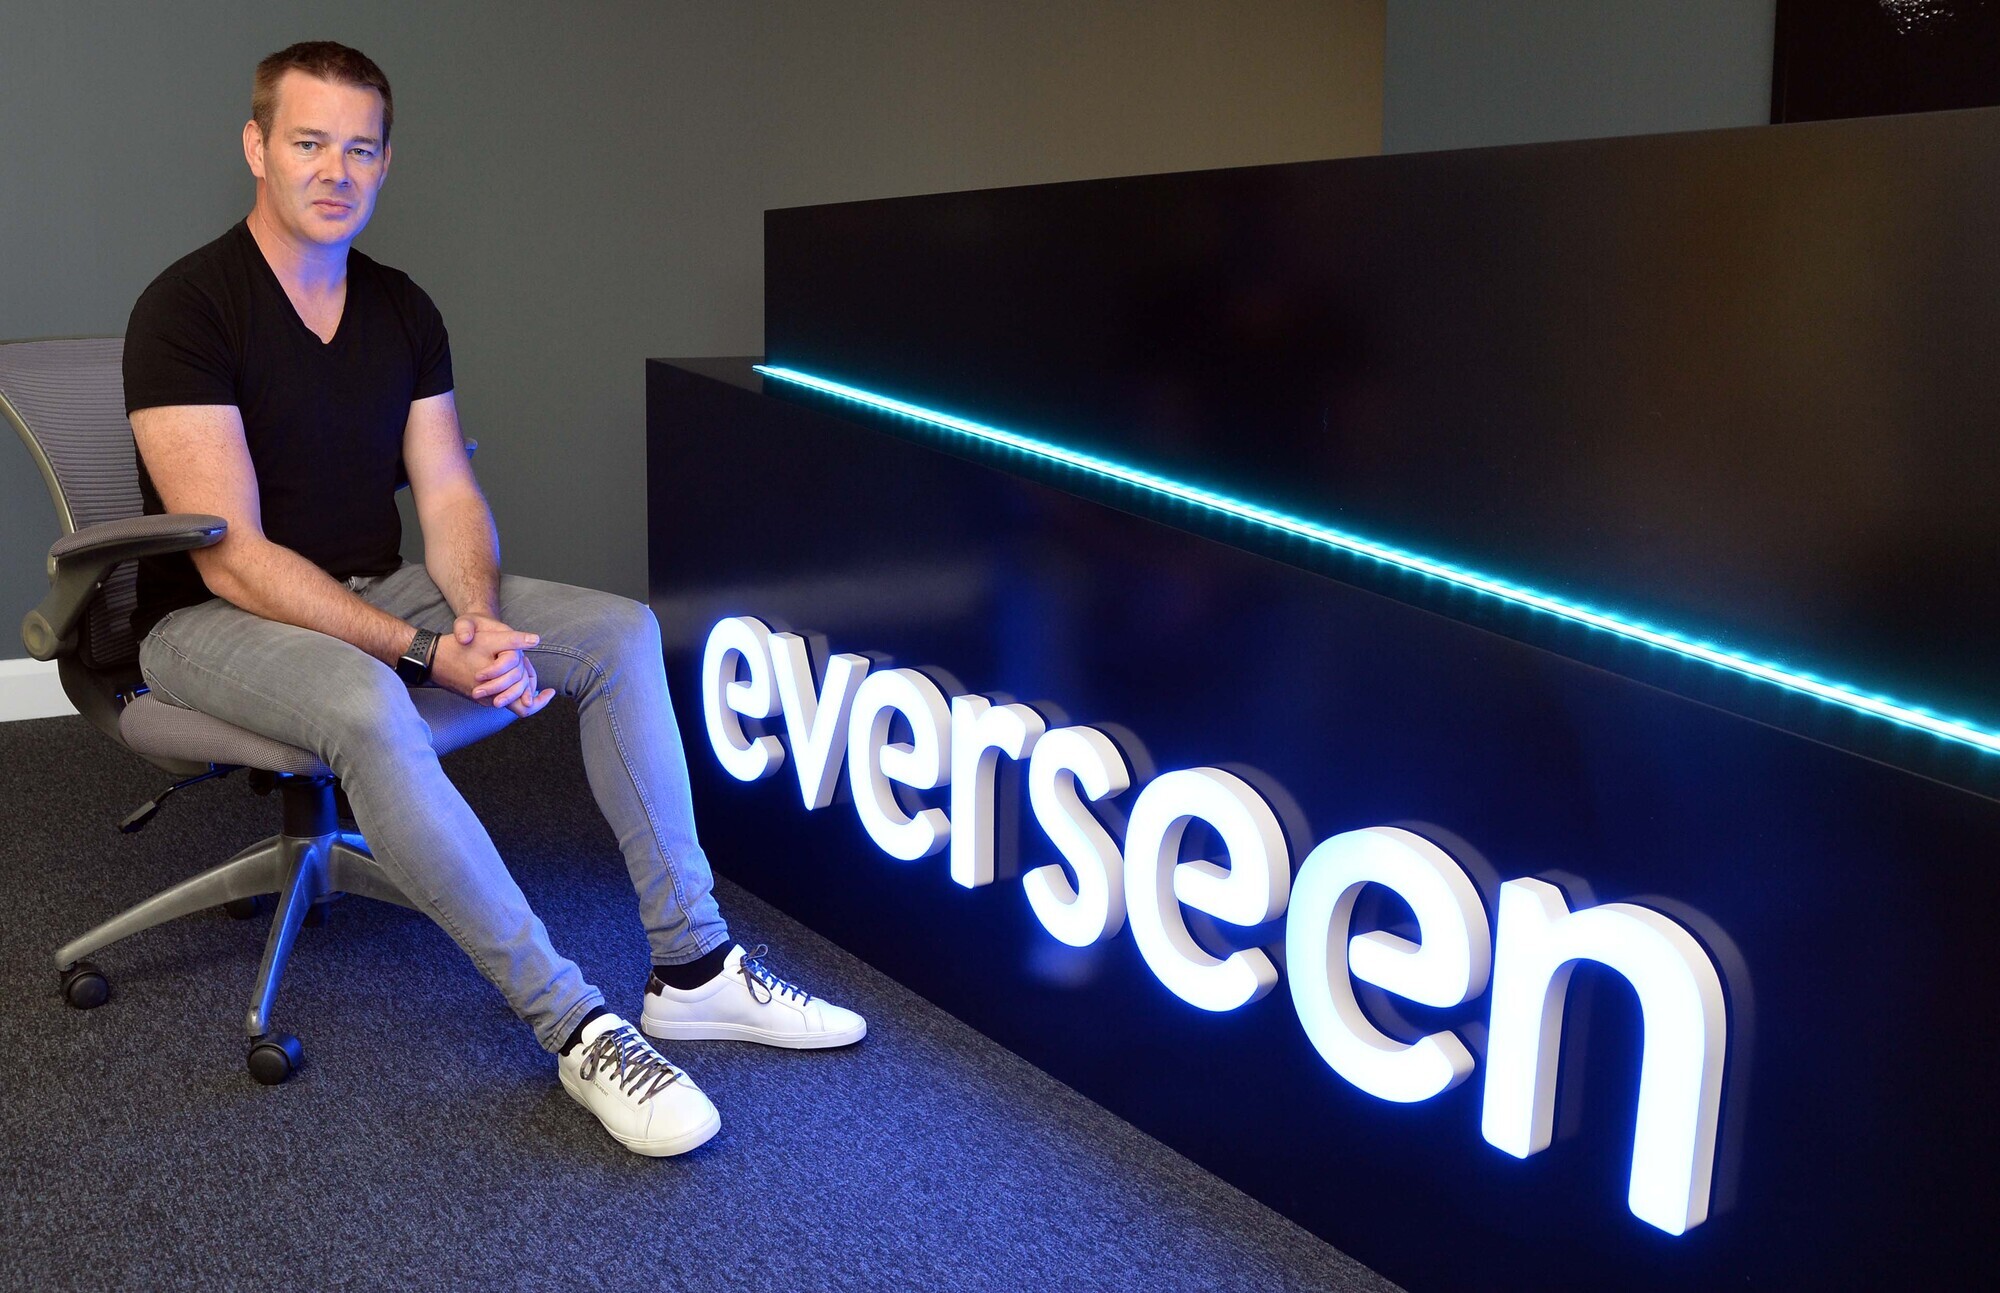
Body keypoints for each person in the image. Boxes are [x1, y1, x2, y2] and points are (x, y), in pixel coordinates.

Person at [123, 40, 863, 1158]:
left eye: (359, 149)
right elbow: (232, 558)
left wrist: (472, 619)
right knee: (369, 702)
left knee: (619, 632)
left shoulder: (399, 307)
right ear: (257, 148)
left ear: (385, 163)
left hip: (372, 583)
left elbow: (448, 490)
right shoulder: (187, 306)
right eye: (309, 142)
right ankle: (576, 1028)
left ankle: (695, 966)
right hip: (207, 621)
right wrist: (423, 656)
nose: (335, 170)